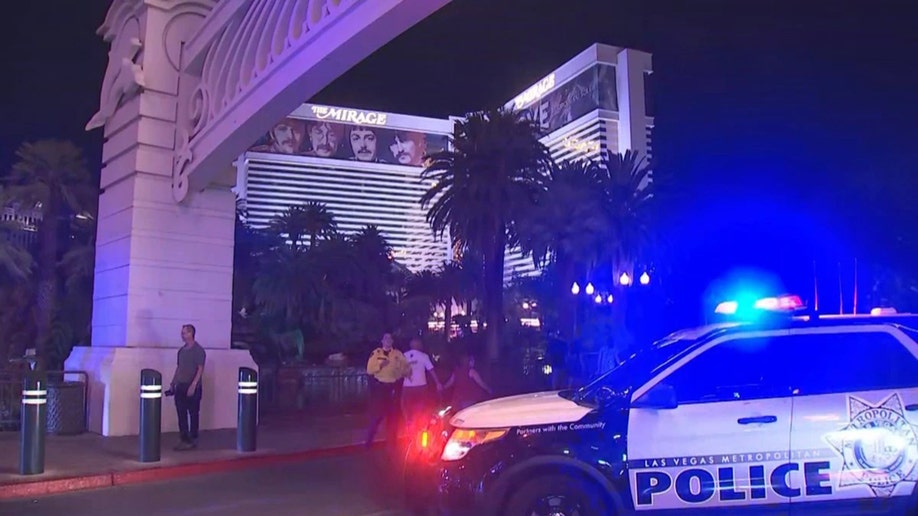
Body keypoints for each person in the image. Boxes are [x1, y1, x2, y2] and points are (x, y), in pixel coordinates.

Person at [365, 332, 410, 448]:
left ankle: (392, 442)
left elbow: (406, 368)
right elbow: (369, 370)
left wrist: (402, 371)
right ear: (382, 341)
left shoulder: (398, 354)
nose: (388, 340)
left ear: (392, 341)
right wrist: (380, 366)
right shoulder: (376, 353)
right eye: (386, 338)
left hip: (393, 387)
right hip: (380, 388)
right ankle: (368, 442)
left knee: (393, 416)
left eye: (390, 339)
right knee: (377, 416)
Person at [169, 324, 206, 450]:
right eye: (182, 332)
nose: (182, 335)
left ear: (191, 334)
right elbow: (179, 368)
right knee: (181, 413)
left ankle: (193, 438)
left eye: (185, 333)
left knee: (193, 413)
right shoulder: (181, 351)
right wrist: (173, 382)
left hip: (193, 386)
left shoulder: (198, 350)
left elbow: (200, 369)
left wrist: (194, 385)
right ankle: (184, 438)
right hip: (181, 385)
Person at [401, 337, 442, 430]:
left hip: (408, 386)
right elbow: (431, 370)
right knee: (422, 406)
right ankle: (421, 424)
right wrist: (437, 383)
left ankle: (409, 421)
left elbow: (400, 370)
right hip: (421, 386)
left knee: (405, 405)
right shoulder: (423, 356)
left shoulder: (404, 356)